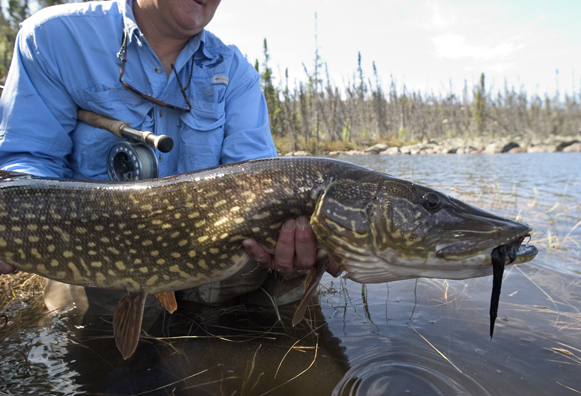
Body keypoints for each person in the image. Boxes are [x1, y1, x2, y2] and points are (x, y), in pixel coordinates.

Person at [0, 0, 339, 310]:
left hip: (210, 257)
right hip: (96, 256)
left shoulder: (234, 72)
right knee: (93, 352)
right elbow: (27, 162)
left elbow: (261, 188)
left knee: (281, 290)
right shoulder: (54, 37)